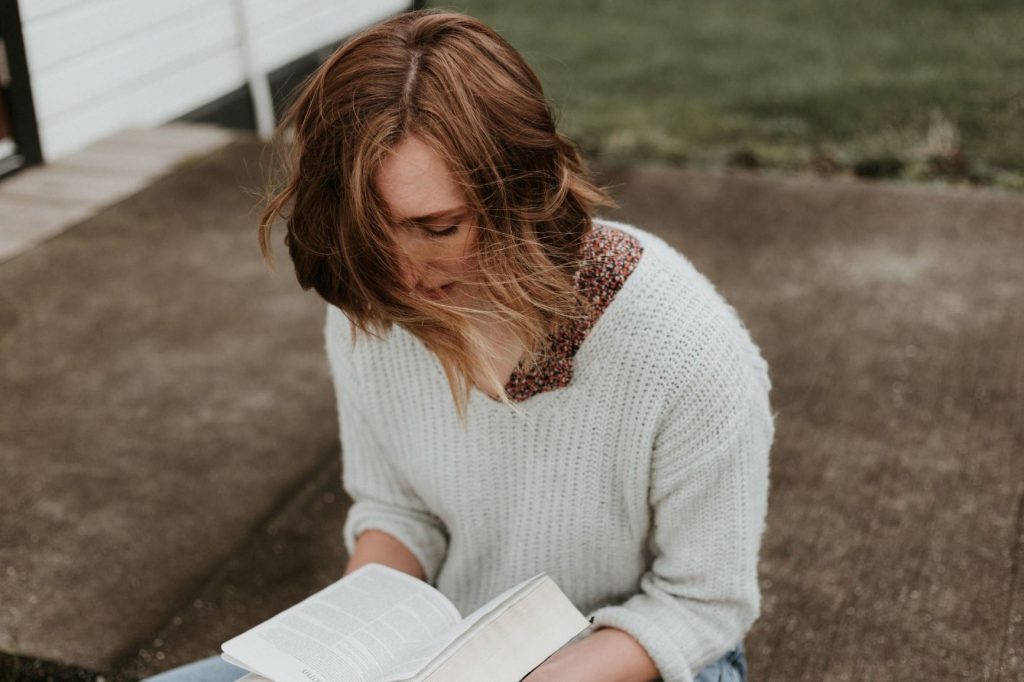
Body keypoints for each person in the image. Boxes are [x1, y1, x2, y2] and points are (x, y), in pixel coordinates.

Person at [145, 9, 772, 682]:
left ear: (520, 195)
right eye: (371, 232)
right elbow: (399, 510)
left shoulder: (683, 346)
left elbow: (702, 606)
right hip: (445, 650)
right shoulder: (374, 301)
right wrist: (345, 652)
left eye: (438, 228)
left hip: (635, 657)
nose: (403, 273)